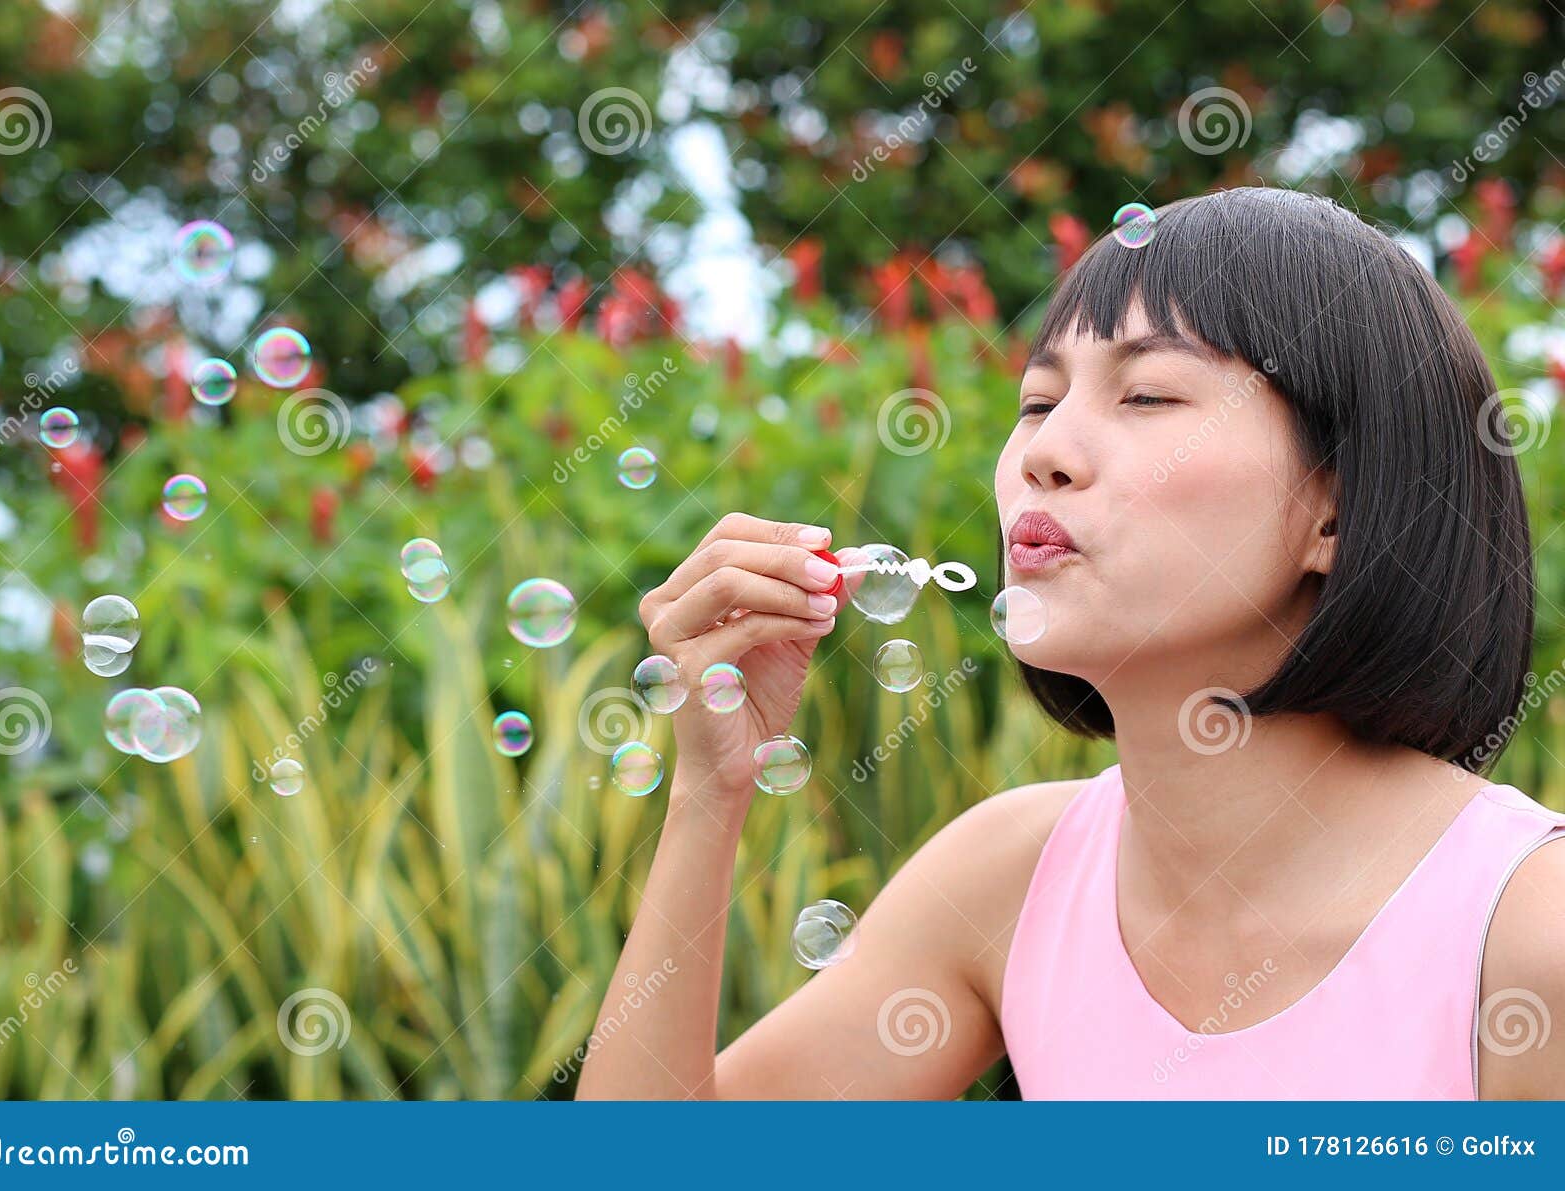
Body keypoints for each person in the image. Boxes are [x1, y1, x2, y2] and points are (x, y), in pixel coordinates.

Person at [574, 188, 1565, 1100]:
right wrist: (711, 790)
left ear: (1337, 512)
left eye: (1147, 398)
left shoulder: (1524, 932)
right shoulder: (1009, 879)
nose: (1042, 452)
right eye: (1038, 404)